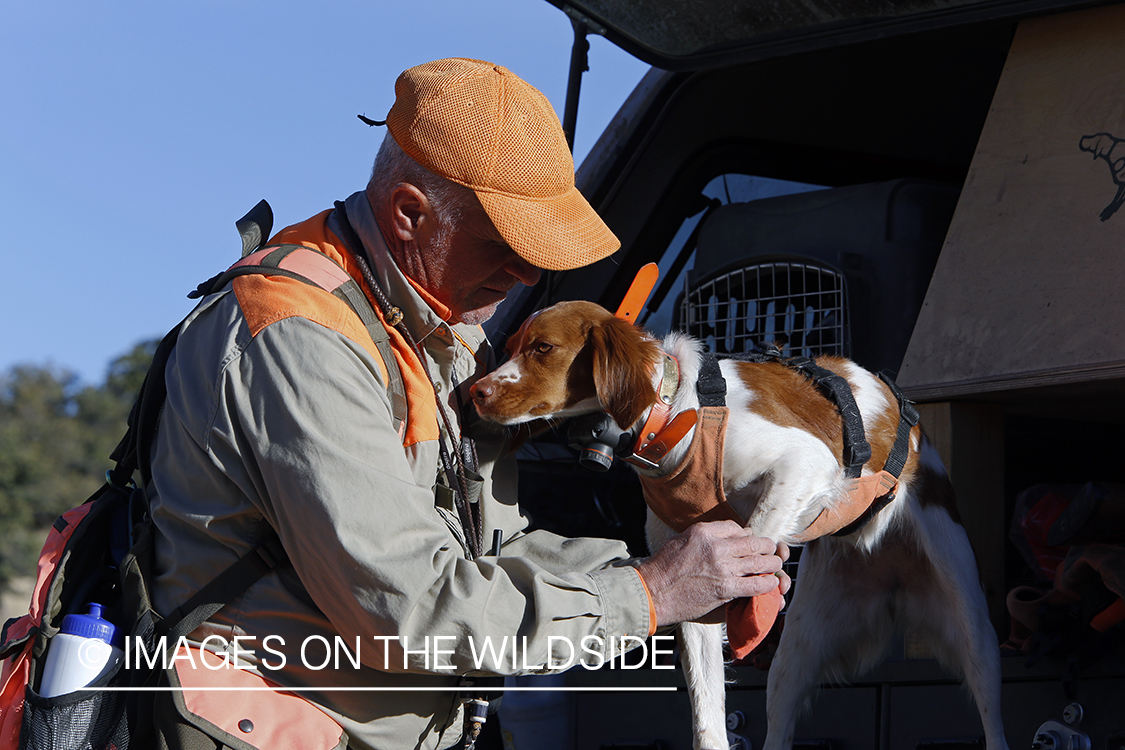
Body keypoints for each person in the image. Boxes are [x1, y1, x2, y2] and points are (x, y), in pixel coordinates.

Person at [147, 57, 788, 750]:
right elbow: (406, 610)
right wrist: (649, 594)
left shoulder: (437, 329)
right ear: (409, 214)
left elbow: (490, 550)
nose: (528, 273)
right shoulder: (302, 338)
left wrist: (694, 571)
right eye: (505, 244)